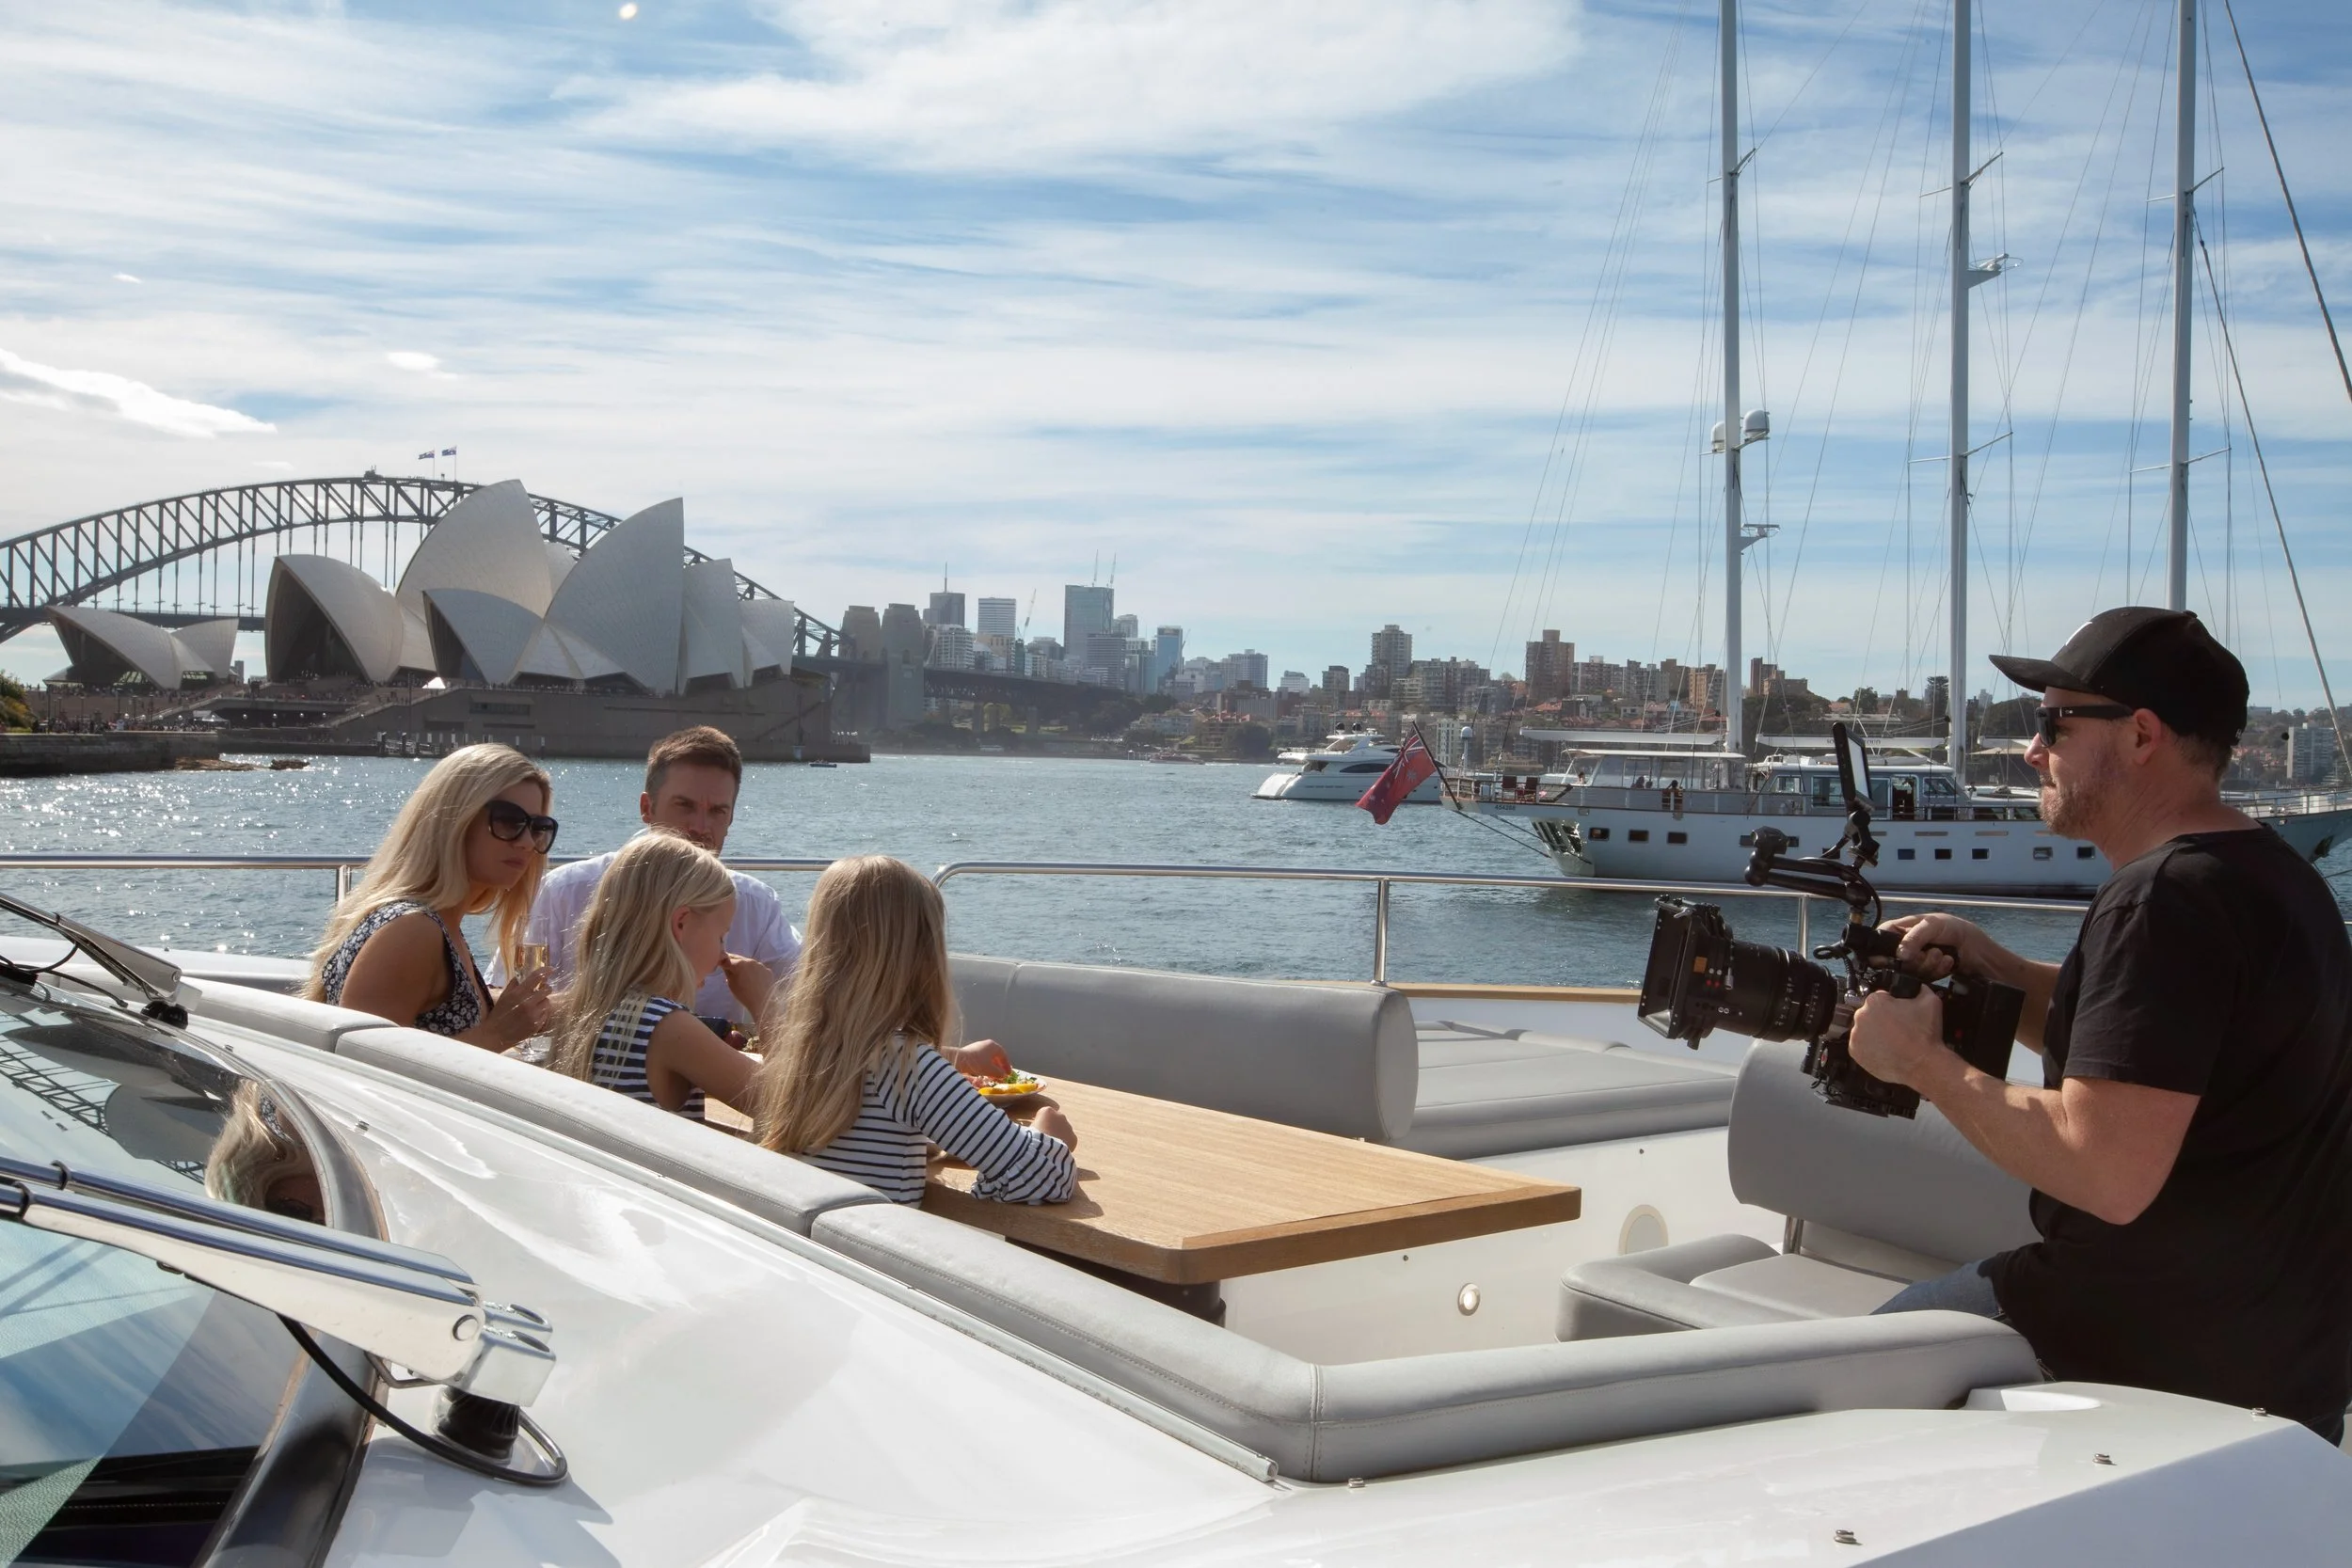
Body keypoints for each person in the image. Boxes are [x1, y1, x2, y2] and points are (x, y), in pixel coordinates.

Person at [1850, 607, 2352, 1440]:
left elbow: (2105, 1169)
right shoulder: (2275, 879)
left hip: (2134, 1349)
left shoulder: (2161, 901)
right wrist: (2000, 969)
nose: (2031, 749)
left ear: (2141, 736)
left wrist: (1923, 1064)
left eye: (2054, 722)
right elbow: (2160, 1058)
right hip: (2289, 1360)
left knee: (1830, 1381)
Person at [754, 855, 1076, 1205]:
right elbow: (1041, 1176)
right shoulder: (908, 1068)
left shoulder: (798, 1054)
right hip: (871, 1257)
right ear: (922, 961)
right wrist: (1050, 1134)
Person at [505, 727, 799, 1029]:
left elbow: (813, 996)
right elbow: (509, 1001)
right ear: (647, 808)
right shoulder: (565, 891)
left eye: (717, 811)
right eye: (684, 806)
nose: (700, 826)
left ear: (731, 818)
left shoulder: (756, 905)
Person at [308, 743, 557, 1051]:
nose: (526, 842)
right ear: (455, 820)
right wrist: (497, 1035)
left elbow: (447, 1015)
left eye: (538, 828)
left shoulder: (435, 922)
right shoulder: (412, 930)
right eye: (509, 821)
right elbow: (359, 1067)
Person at [545, 832, 771, 1120]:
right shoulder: (667, 1027)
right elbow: (791, 1109)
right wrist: (766, 1005)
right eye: (720, 937)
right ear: (681, 923)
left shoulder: (584, 1009)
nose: (722, 955)